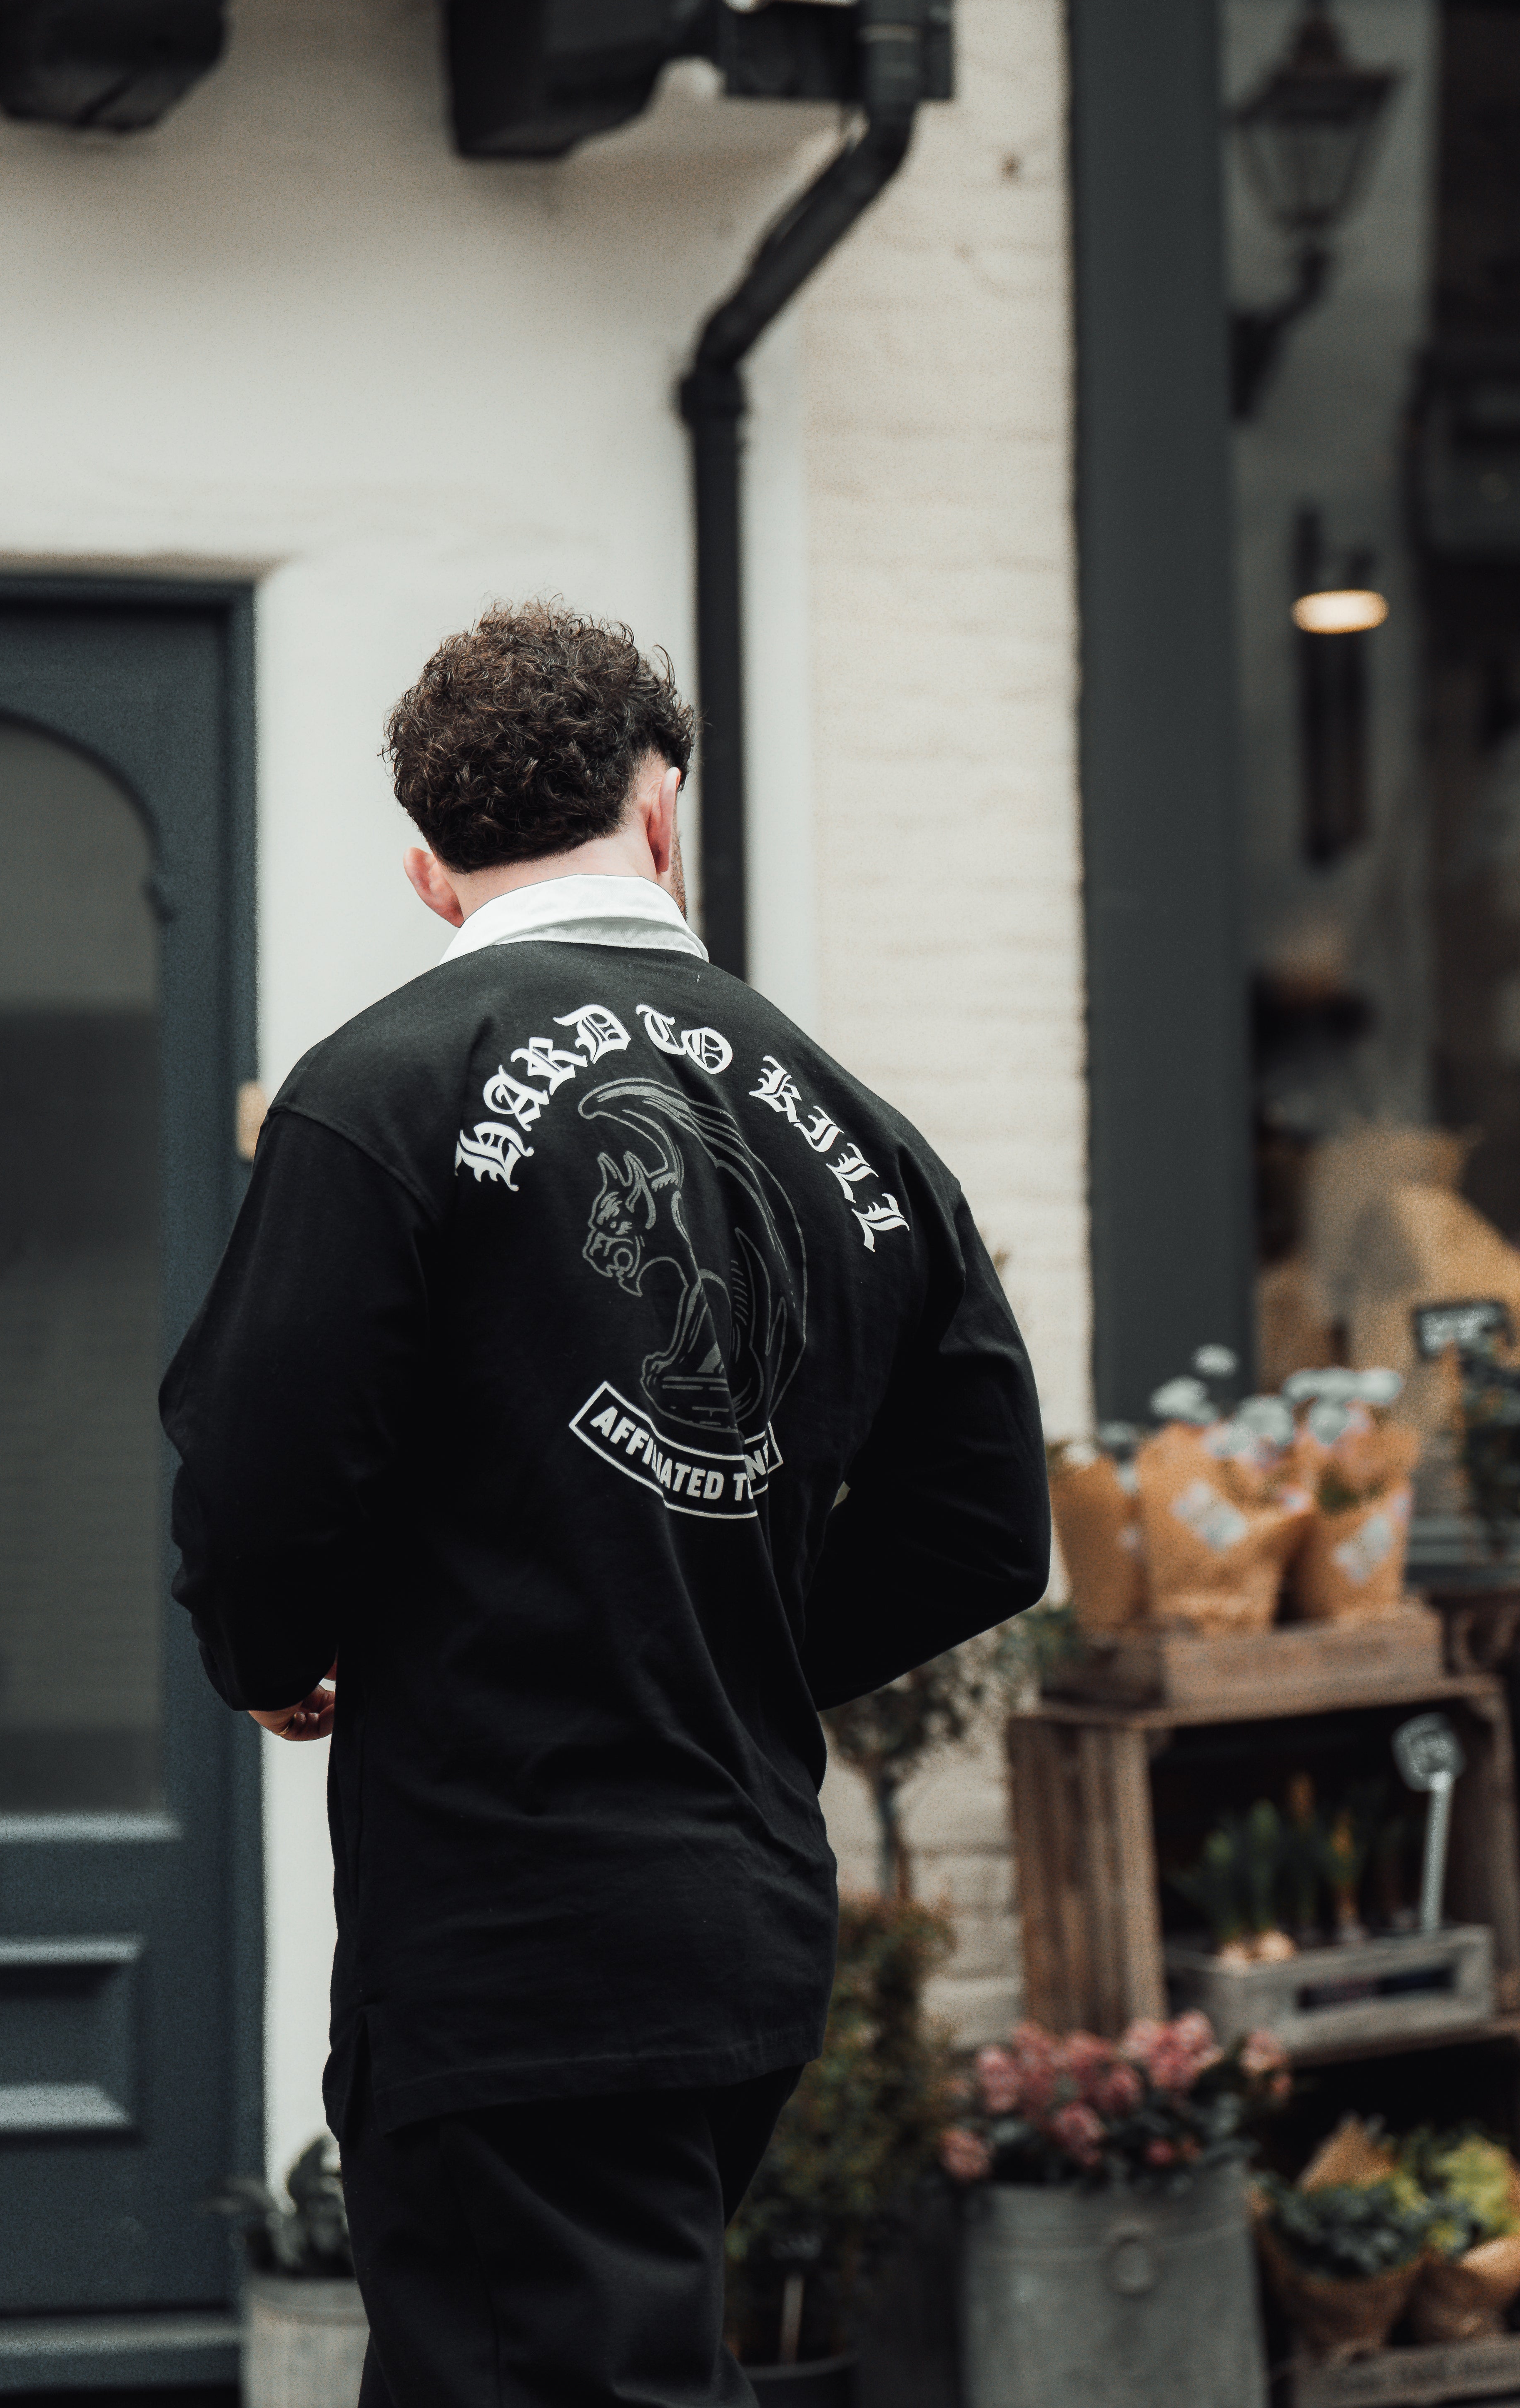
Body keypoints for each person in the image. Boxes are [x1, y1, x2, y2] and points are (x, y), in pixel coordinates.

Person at [163, 600, 1050, 2408]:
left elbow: (257, 1482)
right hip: (738, 1916)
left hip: (506, 1924)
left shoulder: (378, 1095)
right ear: (661, 812)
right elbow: (979, 1523)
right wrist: (724, 1638)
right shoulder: (859, 1129)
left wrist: (269, 1653)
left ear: (430, 874)